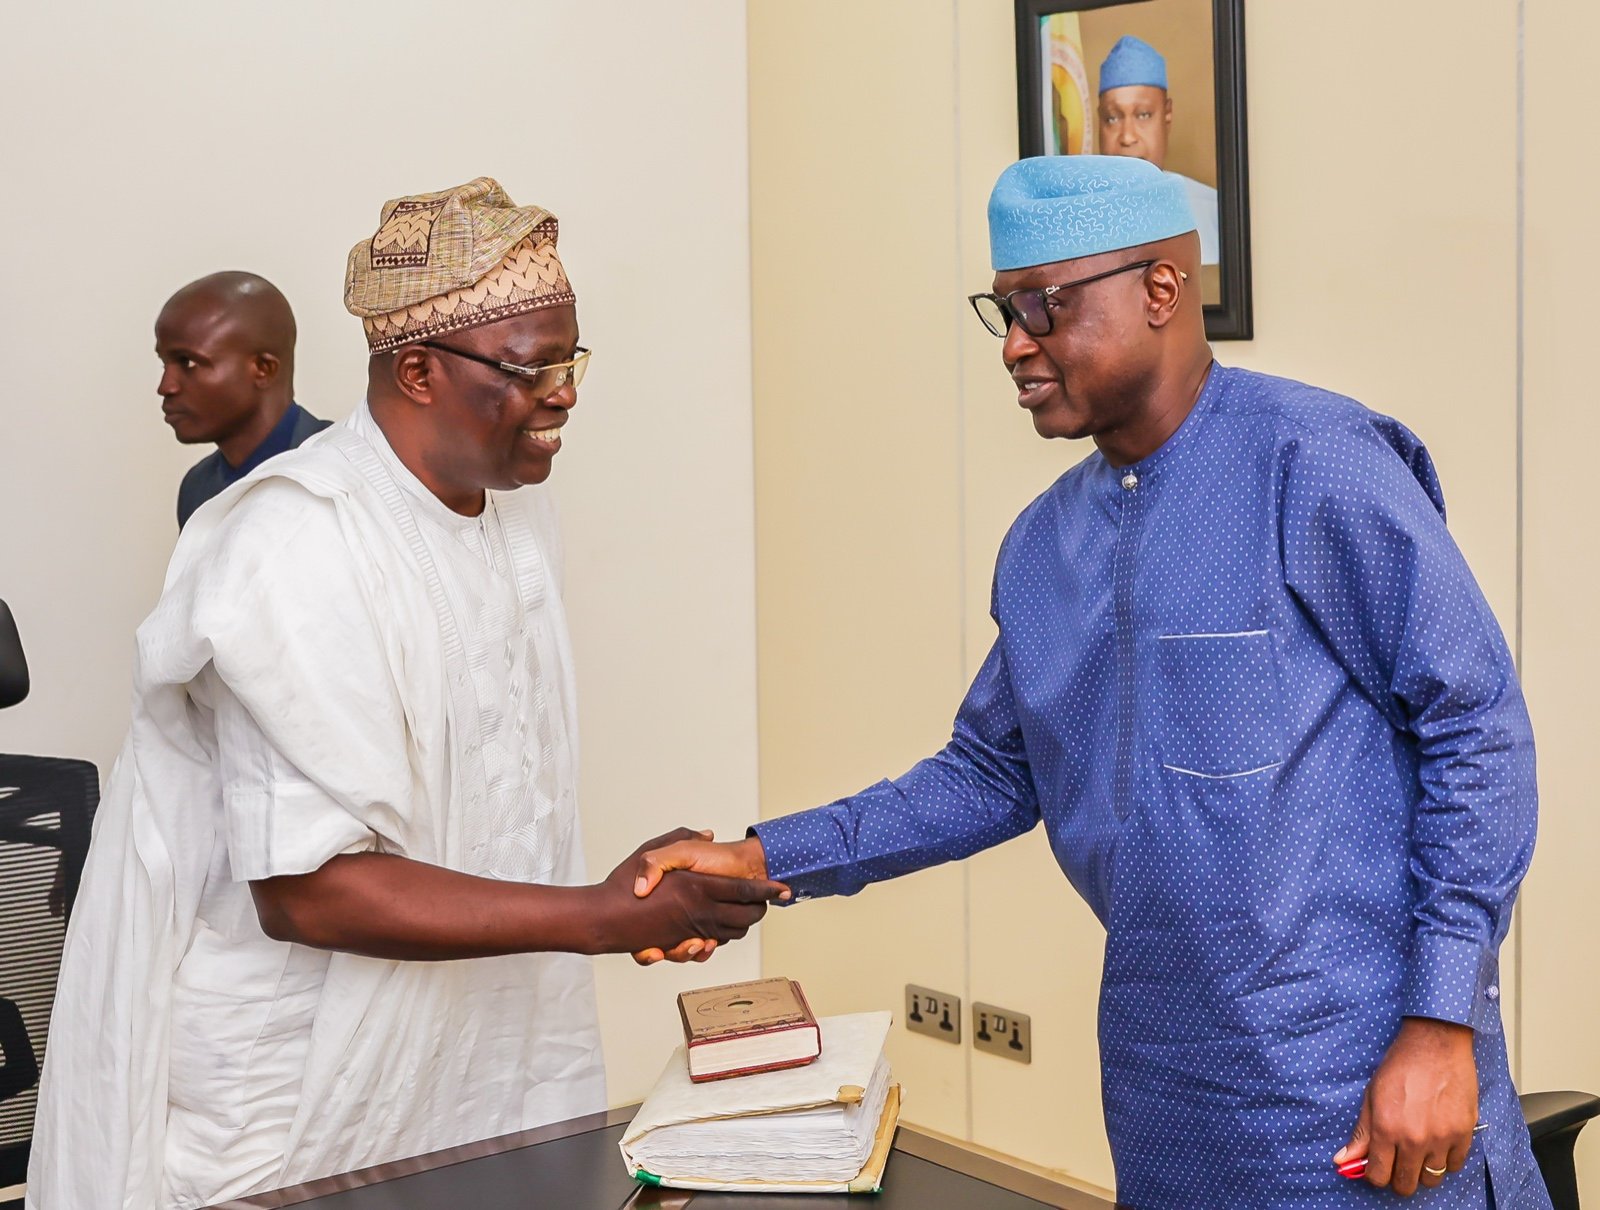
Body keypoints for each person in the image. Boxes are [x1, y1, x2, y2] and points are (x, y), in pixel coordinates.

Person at [631, 157, 1551, 1208]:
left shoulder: (1314, 463)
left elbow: (1475, 729)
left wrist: (1439, 1022)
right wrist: (762, 858)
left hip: (1363, 1076)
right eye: (1003, 310)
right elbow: (989, 772)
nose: (1014, 344)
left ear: (1160, 289)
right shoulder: (1041, 547)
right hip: (1167, 1086)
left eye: (1045, 306)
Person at [28, 178, 784, 1210]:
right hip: (301, 1086)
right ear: (419, 371)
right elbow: (306, 890)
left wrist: (635, 892)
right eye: (531, 367)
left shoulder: (516, 513)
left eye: (569, 362)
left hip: (483, 1053)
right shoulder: (293, 542)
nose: (562, 393)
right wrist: (601, 915)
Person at [157, 271, 333, 528]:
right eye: (165, 363)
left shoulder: (341, 472)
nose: (166, 386)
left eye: (188, 362)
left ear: (263, 369)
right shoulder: (197, 488)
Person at [1095, 34, 1220, 266]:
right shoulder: (1078, 220)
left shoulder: (1214, 213)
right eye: (1112, 118)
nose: (1127, 137)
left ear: (1167, 114)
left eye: (1143, 115)